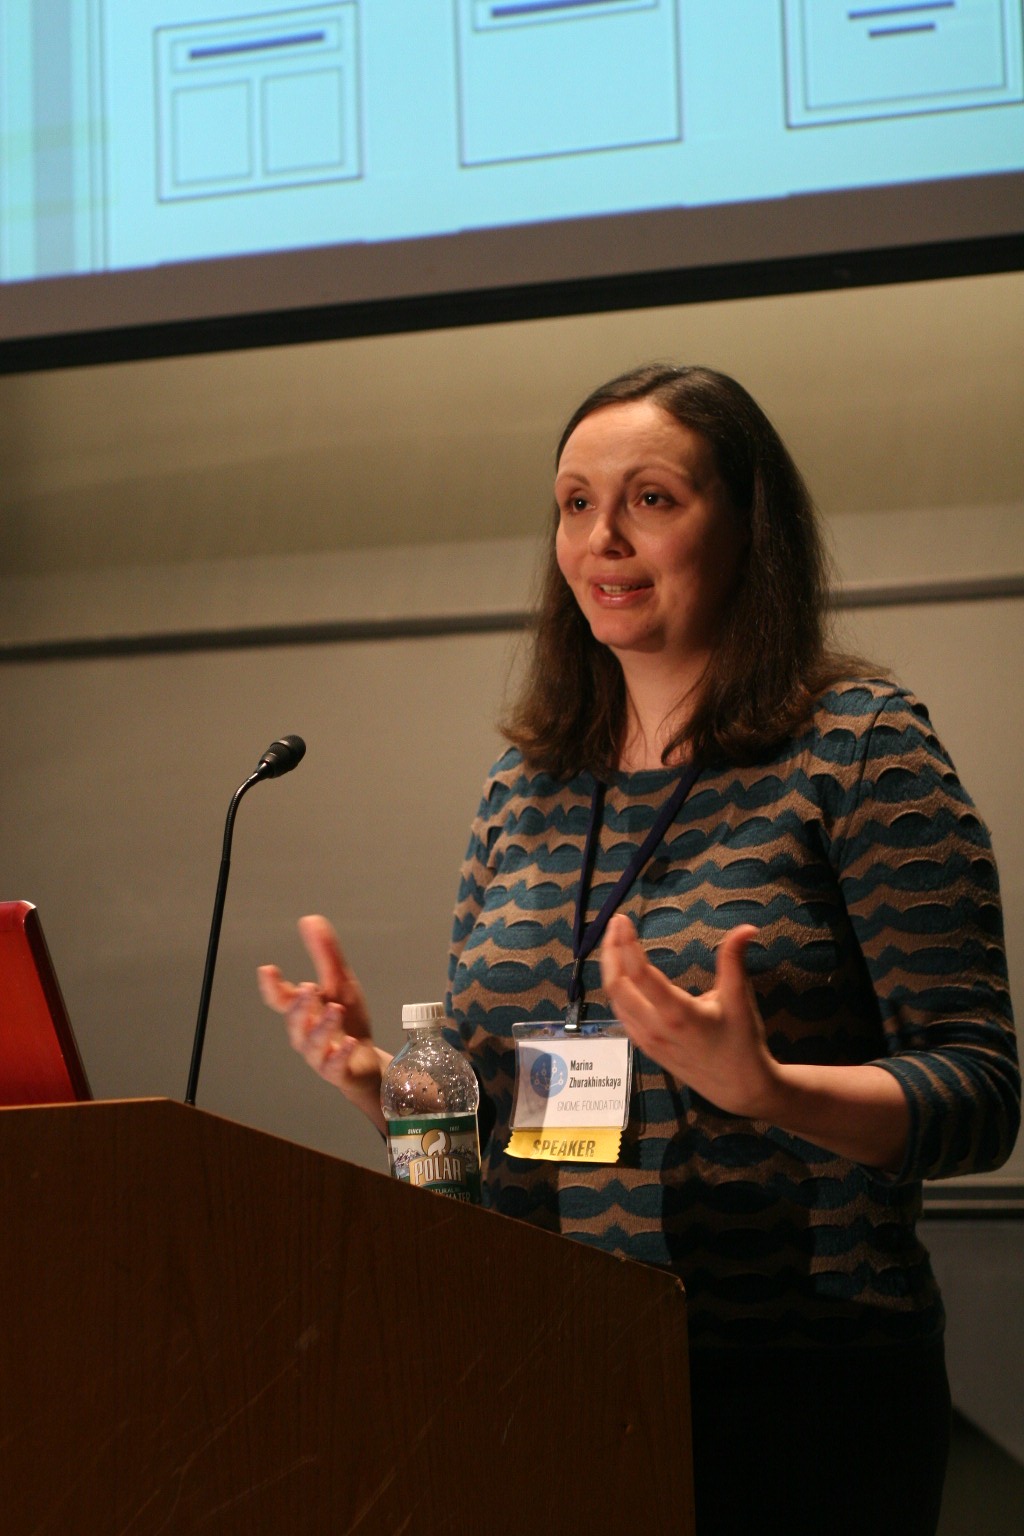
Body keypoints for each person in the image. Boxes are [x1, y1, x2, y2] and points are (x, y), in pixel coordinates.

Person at [259, 364, 1019, 1536]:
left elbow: (978, 1089)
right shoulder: (527, 783)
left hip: (794, 1381)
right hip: (543, 1362)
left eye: (652, 499)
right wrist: (390, 1092)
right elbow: (510, 1131)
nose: (600, 538)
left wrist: (771, 1089)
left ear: (747, 523)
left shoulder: (861, 750)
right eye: (573, 503)